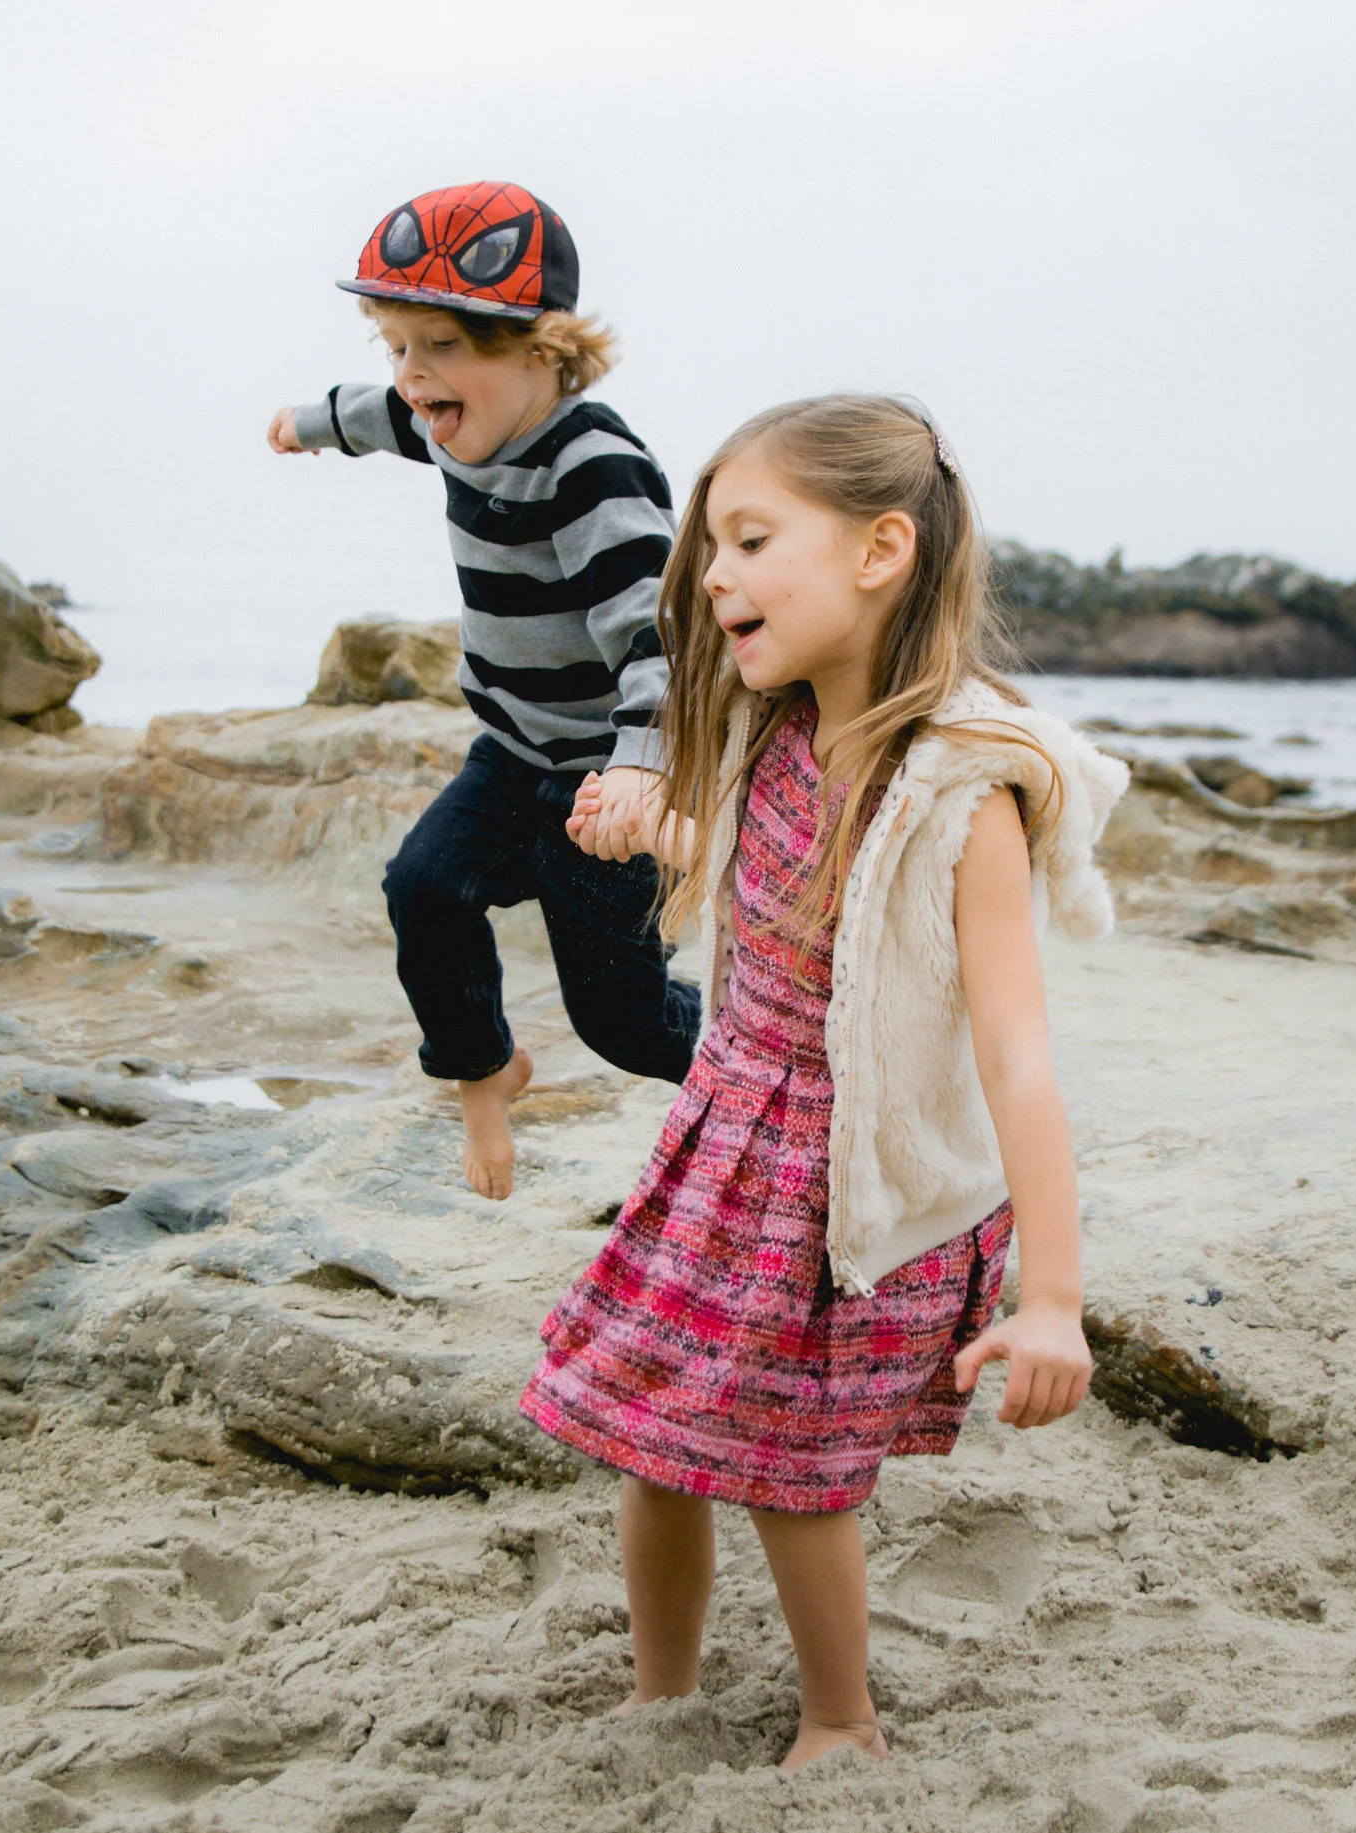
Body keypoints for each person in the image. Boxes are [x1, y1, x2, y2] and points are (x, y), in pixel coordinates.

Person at [520, 395, 1130, 1770]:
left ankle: (841, 1722)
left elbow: (1016, 1058)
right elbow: (768, 870)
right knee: (655, 1432)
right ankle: (661, 1692)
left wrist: (1053, 1301)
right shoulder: (773, 729)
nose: (713, 575)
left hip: (841, 1181)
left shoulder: (961, 798)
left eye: (750, 541)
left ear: (879, 551)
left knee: (793, 1471)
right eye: (708, 549)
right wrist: (660, 822)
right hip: (722, 1141)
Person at [265, 182, 698, 1197]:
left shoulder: (592, 468)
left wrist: (644, 768)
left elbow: (656, 634)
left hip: (605, 780)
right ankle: (484, 1070)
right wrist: (307, 423)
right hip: (510, 757)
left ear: (543, 348)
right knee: (423, 888)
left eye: (442, 346)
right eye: (396, 346)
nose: (413, 375)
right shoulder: (442, 419)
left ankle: (767, 1065)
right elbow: (378, 415)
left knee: (624, 1020)